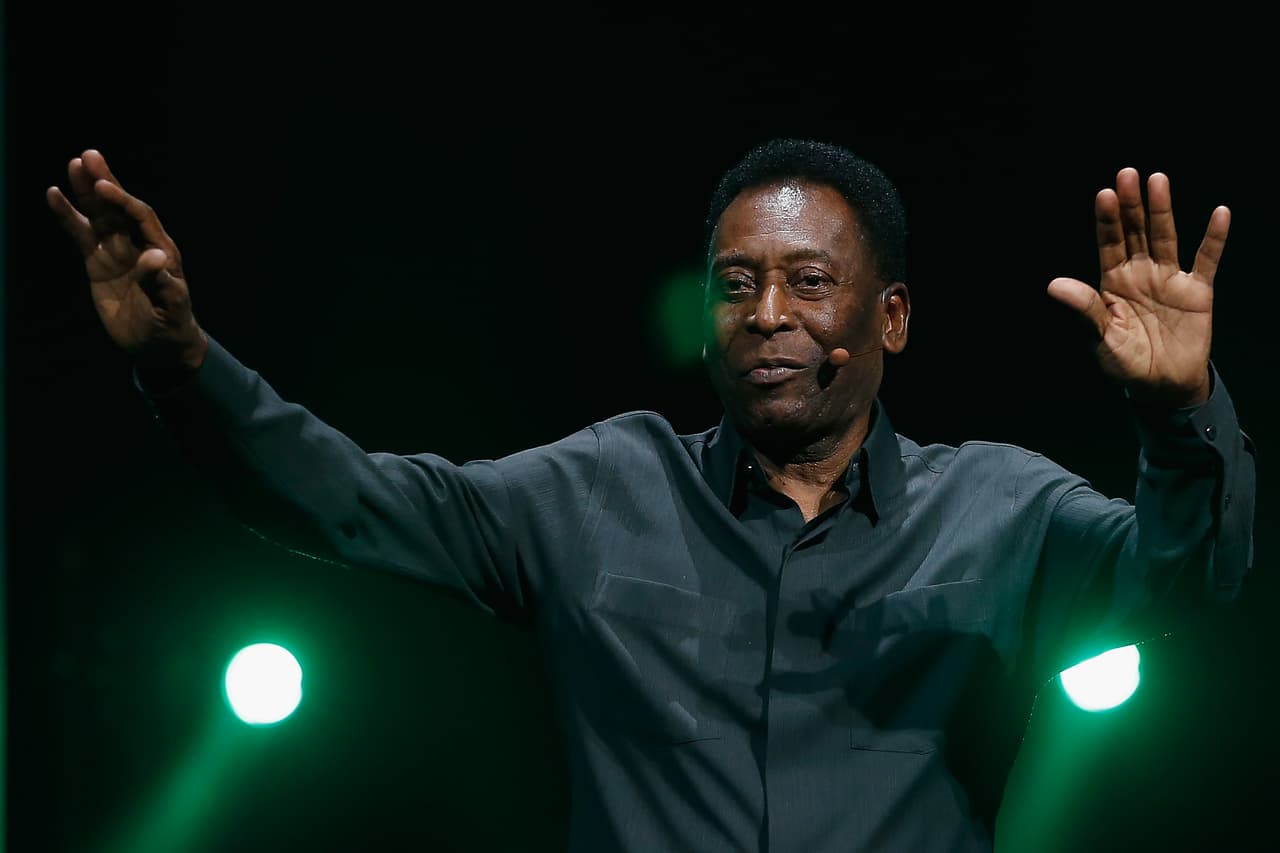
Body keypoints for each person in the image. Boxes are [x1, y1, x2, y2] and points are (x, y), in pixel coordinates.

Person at [47, 139, 1256, 852]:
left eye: (807, 282)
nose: (767, 314)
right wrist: (182, 364)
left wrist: (1174, 411)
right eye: (736, 285)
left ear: (887, 317)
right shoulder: (599, 488)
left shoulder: (996, 506)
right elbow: (349, 500)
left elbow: (1184, 577)